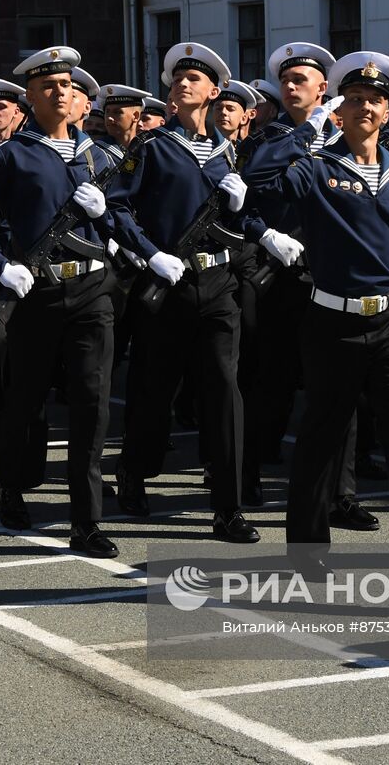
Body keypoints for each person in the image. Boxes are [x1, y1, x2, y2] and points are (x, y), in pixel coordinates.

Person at [246, 52, 389, 570]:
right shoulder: (314, 169)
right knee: (320, 442)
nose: (363, 107)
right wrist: (305, 131)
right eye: (352, 99)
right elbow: (258, 187)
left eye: (374, 101)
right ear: (337, 110)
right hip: (332, 324)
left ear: (387, 111)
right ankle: (308, 554)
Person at [0, 45, 119, 559]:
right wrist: (0, 263)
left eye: (67, 85)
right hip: (37, 290)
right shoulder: (10, 154)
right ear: (29, 97)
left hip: (94, 290)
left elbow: (125, 217)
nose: (61, 92)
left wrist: (113, 219)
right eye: (48, 86)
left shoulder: (100, 155)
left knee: (92, 405)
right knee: (24, 399)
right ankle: (10, 487)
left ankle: (85, 521)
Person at [106, 40, 260, 545]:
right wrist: (150, 253)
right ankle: (134, 469)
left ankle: (228, 505)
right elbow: (117, 207)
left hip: (218, 283)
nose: (182, 84)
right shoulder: (152, 147)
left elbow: (234, 221)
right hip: (167, 284)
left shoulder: (226, 150)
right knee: (156, 388)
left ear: (214, 92)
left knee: (224, 388)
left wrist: (241, 207)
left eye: (194, 80)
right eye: (176, 79)